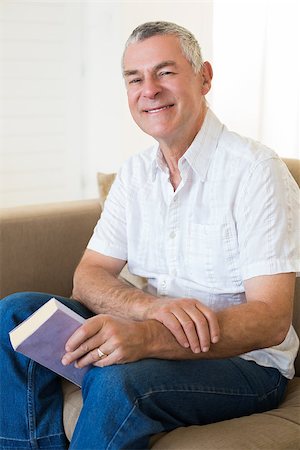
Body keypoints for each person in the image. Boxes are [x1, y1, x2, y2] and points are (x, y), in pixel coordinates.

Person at [0, 21, 299, 450]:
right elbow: (88, 276)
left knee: (117, 379)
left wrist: (150, 337)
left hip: (246, 366)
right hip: (154, 331)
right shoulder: (136, 174)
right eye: (135, 78)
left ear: (204, 77)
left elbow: (271, 319)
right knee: (12, 316)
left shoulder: (256, 172)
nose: (149, 89)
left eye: (166, 72)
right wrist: (149, 310)